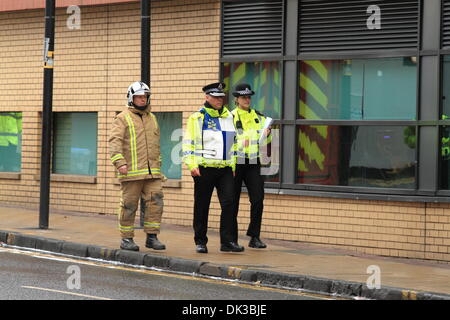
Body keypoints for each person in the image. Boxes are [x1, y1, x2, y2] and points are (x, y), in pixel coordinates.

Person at [182, 82, 244, 253]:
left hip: (224, 169)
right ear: (207, 97)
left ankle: (228, 241)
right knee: (202, 205)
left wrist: (232, 165)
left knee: (230, 203)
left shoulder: (229, 117)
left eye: (221, 97)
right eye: (216, 97)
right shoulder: (197, 117)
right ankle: (200, 241)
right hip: (204, 168)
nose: (219, 100)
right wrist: (192, 164)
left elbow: (233, 143)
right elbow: (188, 143)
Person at [109, 81, 166, 251]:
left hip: (152, 173)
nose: (142, 100)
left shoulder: (152, 118)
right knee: (129, 205)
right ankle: (126, 239)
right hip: (131, 172)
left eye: (145, 97)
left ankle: (152, 237)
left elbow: (156, 144)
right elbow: (115, 142)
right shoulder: (122, 117)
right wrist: (120, 163)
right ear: (131, 98)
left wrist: (158, 165)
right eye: (139, 97)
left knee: (155, 202)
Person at [231, 83, 271, 249]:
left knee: (258, 199)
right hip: (236, 161)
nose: (247, 100)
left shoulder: (259, 117)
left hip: (253, 161)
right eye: (243, 97)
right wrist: (244, 141)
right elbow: (229, 140)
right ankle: (231, 239)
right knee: (232, 201)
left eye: (248, 97)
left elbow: (263, 141)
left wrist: (267, 135)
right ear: (237, 99)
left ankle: (254, 236)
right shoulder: (230, 117)